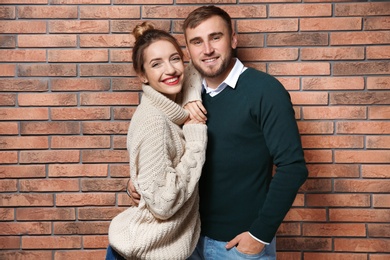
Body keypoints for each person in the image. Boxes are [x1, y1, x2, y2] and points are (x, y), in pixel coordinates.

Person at [129, 5, 308, 259]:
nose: (208, 49)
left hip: (235, 246)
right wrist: (138, 182)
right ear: (188, 51)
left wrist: (259, 235)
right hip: (185, 241)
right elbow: (161, 152)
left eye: (216, 37)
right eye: (197, 42)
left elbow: (293, 167)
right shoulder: (180, 94)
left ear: (233, 39)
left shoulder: (265, 91)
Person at [106, 21, 207, 260]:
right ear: (142, 75)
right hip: (145, 252)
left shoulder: (168, 108)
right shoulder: (155, 121)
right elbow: (163, 205)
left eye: (174, 59)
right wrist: (196, 139)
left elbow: (195, 65)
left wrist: (192, 97)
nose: (170, 70)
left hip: (163, 248)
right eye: (156, 64)